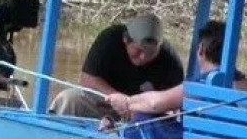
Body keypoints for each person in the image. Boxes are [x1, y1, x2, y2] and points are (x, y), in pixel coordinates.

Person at [102, 19, 247, 139]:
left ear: (200, 48)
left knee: (142, 117)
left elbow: (156, 103)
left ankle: (116, 136)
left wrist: (127, 102)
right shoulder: (246, 84)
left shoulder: (205, 84)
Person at [49, 13, 184, 117]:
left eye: (150, 53)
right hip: (105, 103)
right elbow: (87, 79)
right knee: (68, 98)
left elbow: (177, 104)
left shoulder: (170, 59)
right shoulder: (110, 39)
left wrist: (135, 107)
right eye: (138, 50)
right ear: (126, 40)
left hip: (142, 114)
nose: (143, 57)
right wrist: (117, 99)